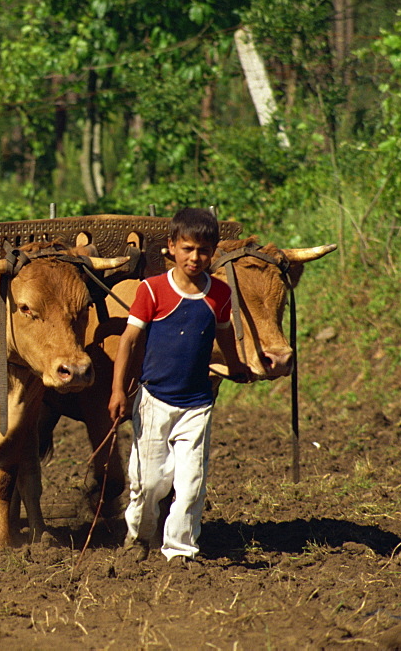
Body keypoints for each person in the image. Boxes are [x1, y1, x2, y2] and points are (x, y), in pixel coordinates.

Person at [108, 207, 250, 565]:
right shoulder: (152, 290)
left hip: (197, 403)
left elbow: (225, 335)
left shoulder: (219, 293)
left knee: (190, 484)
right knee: (149, 483)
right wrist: (117, 391)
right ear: (171, 247)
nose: (195, 257)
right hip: (154, 399)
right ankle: (139, 537)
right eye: (187, 248)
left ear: (214, 251)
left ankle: (180, 552)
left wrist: (236, 368)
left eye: (203, 250)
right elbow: (127, 341)